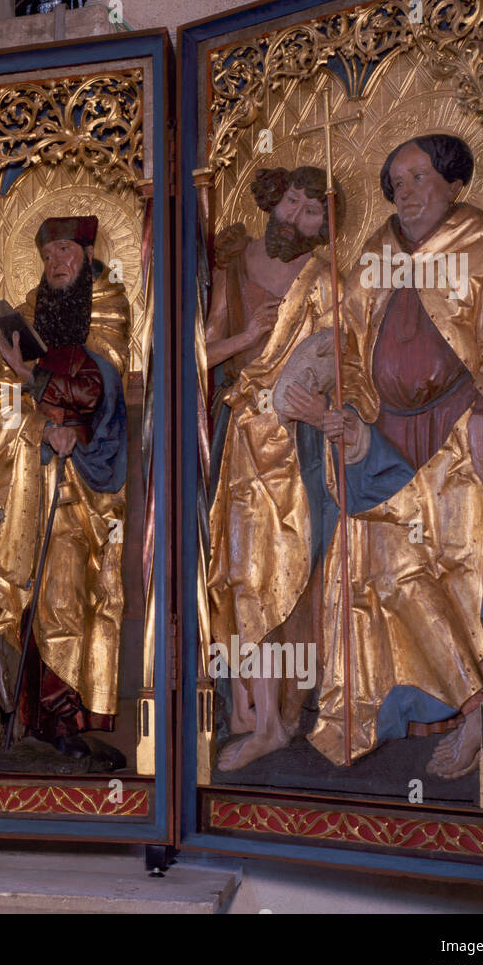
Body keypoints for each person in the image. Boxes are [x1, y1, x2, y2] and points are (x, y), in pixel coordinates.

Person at [289, 133, 483, 775]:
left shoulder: (481, 241)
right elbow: (349, 350)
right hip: (387, 436)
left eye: (418, 177)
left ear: (453, 183)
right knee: (382, 574)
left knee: (455, 572)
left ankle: (481, 711)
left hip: (458, 430)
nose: (405, 192)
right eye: (396, 183)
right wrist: (348, 412)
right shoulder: (375, 253)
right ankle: (414, 710)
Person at [205, 166, 344, 770]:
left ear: (324, 225)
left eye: (311, 211)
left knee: (286, 577)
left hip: (298, 446)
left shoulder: (327, 280)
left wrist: (318, 405)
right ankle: (248, 711)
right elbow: (198, 353)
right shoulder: (233, 269)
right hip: (240, 439)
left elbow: (343, 362)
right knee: (238, 574)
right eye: (290, 202)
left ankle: (279, 719)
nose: (295, 217)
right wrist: (245, 339)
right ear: (273, 200)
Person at [0, 215, 129, 762]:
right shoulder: (26, 316)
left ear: (87, 253)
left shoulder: (107, 306)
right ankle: (22, 720)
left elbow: (99, 384)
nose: (56, 263)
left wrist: (39, 386)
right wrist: (38, 422)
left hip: (80, 480)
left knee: (65, 593)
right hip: (28, 475)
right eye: (47, 256)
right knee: (21, 591)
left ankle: (64, 718)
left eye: (65, 251)